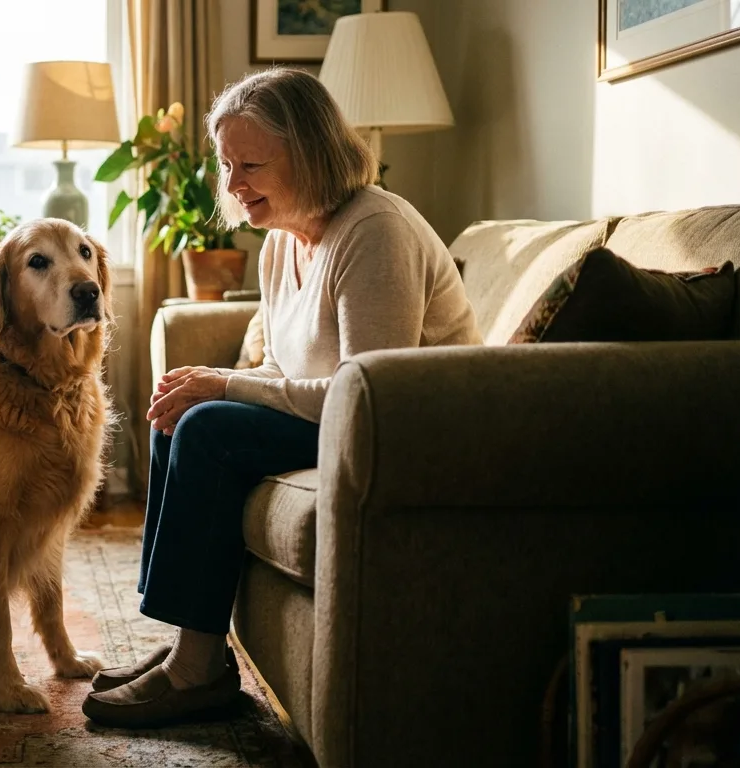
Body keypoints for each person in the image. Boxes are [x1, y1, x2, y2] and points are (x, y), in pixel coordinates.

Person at [81, 67, 482, 728]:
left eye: (252, 165)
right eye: (226, 164)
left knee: (207, 425)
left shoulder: (373, 231)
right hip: (346, 417)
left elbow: (369, 392)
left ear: (312, 155)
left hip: (408, 431)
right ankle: (192, 648)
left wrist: (226, 384)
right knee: (182, 413)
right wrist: (212, 382)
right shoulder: (279, 245)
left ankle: (196, 674)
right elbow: (279, 368)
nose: (233, 185)